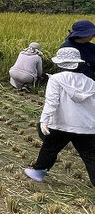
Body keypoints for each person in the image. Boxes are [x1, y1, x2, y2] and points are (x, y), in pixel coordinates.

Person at [24, 47, 95, 186]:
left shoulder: (55, 79)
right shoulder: (90, 82)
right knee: (91, 156)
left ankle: (39, 172)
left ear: (60, 63)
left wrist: (44, 120)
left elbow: (52, 102)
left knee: (49, 148)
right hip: (85, 126)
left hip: (61, 123)